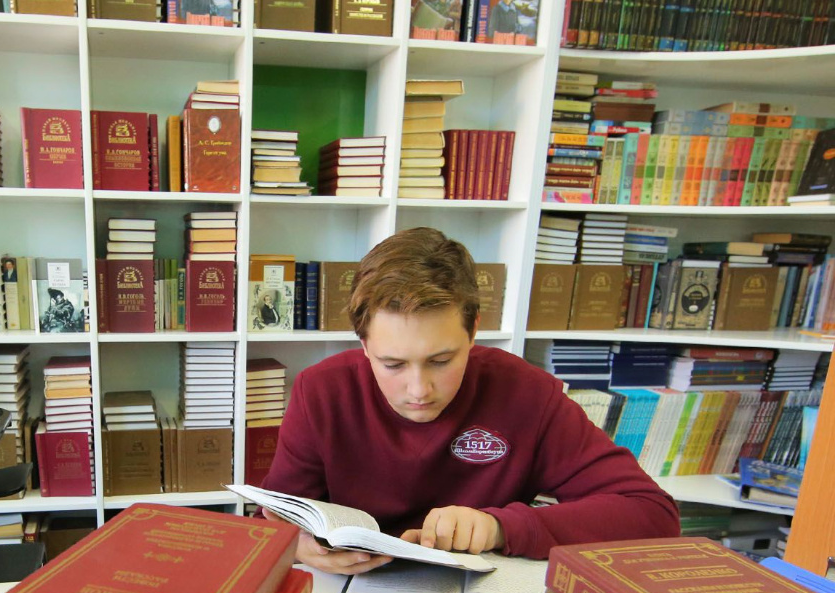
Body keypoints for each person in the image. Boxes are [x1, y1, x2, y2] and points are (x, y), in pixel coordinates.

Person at [261, 228, 679, 575]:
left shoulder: (527, 393)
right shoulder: (321, 392)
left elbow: (652, 514)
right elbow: (277, 521)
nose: (419, 390)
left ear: (474, 331)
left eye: (441, 361)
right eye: (393, 364)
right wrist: (297, 546)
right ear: (364, 344)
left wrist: (499, 527)